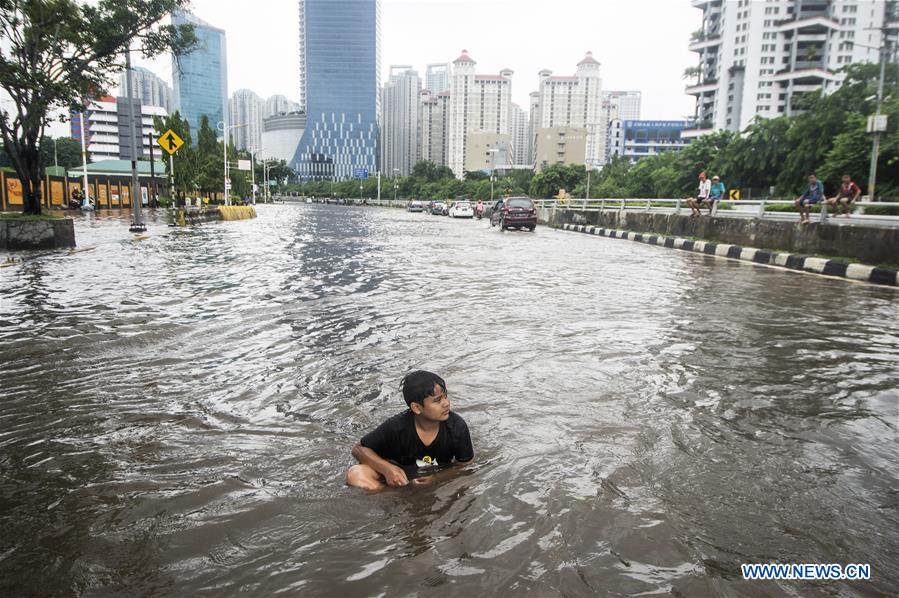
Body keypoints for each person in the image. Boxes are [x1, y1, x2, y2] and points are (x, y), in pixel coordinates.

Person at [346, 370, 474, 491]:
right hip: (399, 472)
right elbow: (358, 449)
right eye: (438, 400)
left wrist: (436, 479)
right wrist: (388, 469)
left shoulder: (457, 427)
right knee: (355, 474)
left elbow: (466, 465)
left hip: (434, 473)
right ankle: (390, 495)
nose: (446, 403)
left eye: (445, 397)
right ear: (417, 408)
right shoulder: (396, 427)